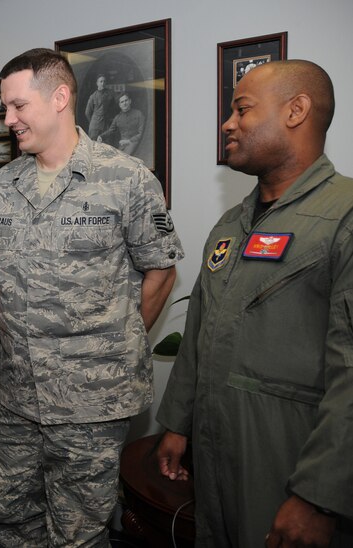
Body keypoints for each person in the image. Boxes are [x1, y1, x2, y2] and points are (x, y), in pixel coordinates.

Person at [0, 48, 183, 547]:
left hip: (91, 402)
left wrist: (116, 345)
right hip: (14, 394)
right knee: (9, 519)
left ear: (60, 97)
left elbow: (161, 271)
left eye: (18, 106)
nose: (8, 120)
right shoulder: (5, 185)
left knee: (77, 533)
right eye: (4, 108)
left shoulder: (127, 179)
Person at [156, 60, 353, 547]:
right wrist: (178, 425)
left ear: (296, 110)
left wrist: (318, 496)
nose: (227, 123)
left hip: (292, 462)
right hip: (217, 456)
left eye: (241, 109)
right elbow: (200, 326)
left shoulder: (343, 216)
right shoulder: (231, 223)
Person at [84, 74, 117, 140]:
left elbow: (113, 106)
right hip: (95, 126)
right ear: (97, 83)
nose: (103, 83)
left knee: (106, 145)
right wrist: (93, 122)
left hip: (105, 125)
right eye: (101, 81)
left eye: (104, 81)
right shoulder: (93, 96)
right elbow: (87, 112)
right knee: (94, 145)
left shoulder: (109, 94)